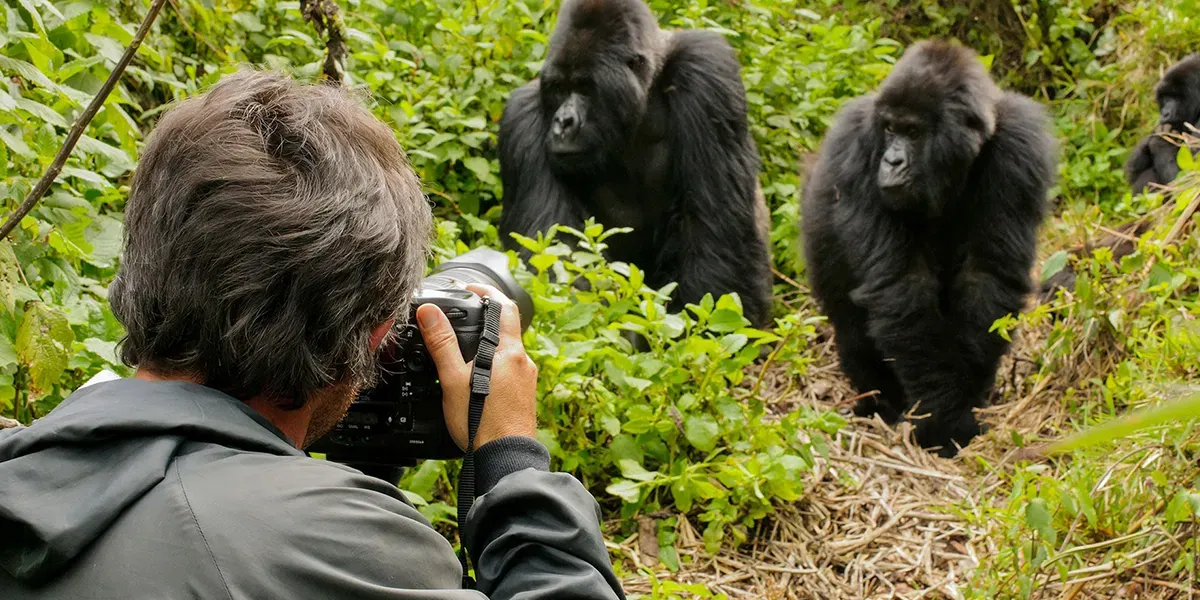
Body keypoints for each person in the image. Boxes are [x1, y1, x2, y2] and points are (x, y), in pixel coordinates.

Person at [0, 69, 625, 600]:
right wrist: (512, 463)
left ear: (140, 264)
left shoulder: (23, 470)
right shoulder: (341, 548)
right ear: (378, 333)